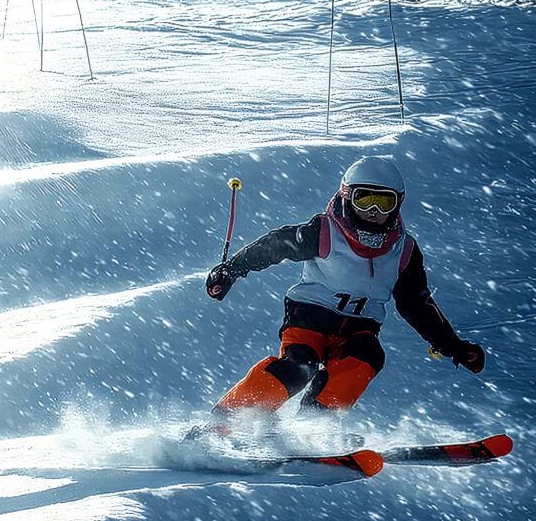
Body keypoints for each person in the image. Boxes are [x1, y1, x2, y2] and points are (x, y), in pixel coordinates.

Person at [205, 156, 485, 418]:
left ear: (397, 204)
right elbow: (276, 245)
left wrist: (452, 345)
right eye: (365, 201)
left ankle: (314, 423)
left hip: (361, 325)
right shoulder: (326, 231)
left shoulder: (403, 251)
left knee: (368, 357)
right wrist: (231, 270)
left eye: (383, 203)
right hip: (311, 315)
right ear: (347, 197)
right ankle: (233, 415)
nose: (374, 212)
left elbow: (417, 304)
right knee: (299, 367)